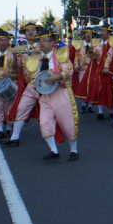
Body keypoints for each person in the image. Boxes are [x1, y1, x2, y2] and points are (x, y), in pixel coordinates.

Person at [29, 27, 80, 161]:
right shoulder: (39, 59)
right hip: (45, 96)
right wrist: (35, 84)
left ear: (53, 43)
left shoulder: (60, 55)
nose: (42, 43)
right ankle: (54, 150)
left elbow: (70, 70)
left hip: (61, 93)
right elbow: (35, 76)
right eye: (40, 41)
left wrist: (57, 77)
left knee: (67, 122)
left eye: (45, 41)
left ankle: (74, 150)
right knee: (44, 122)